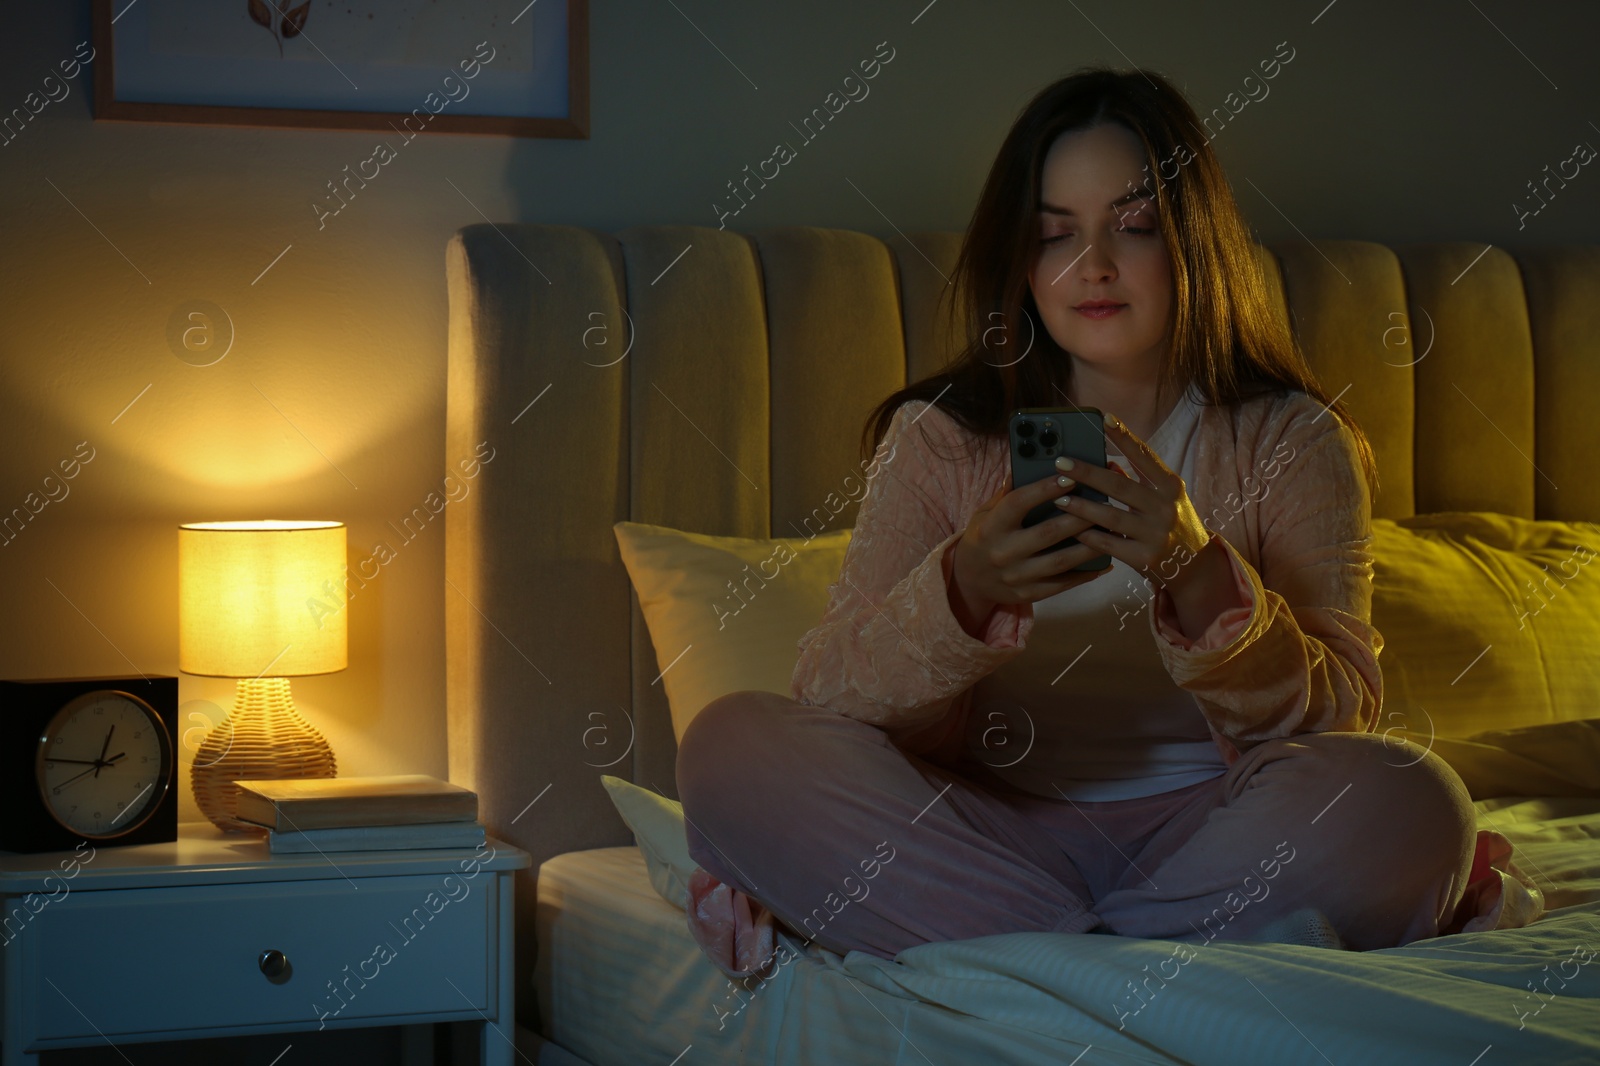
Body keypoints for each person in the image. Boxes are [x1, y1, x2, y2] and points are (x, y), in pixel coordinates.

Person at [675, 67, 1482, 979]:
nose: (1090, 265)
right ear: (1021, 261)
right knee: (729, 749)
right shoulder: (940, 437)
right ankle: (1132, 966)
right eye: (1055, 233)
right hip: (983, 835)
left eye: (1132, 228)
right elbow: (830, 694)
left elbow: (1346, 713)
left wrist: (1198, 575)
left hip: (1212, 834)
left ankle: (1046, 963)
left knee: (1414, 799)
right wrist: (964, 591)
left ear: (1192, 243)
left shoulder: (1292, 437)